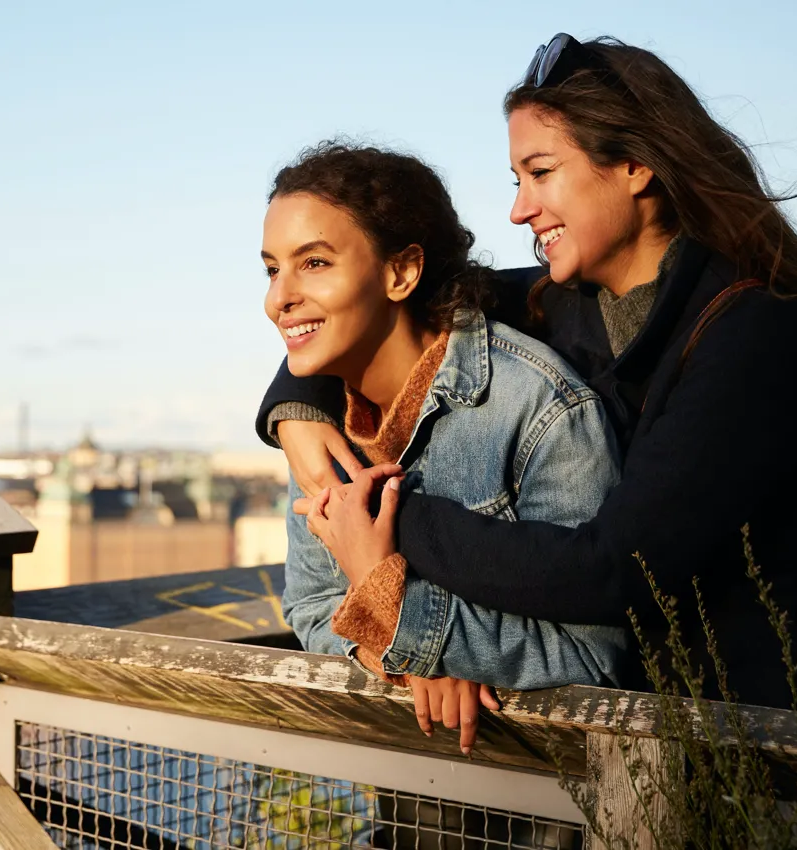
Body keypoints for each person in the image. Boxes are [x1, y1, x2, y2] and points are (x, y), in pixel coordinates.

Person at [259, 35, 797, 719]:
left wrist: (380, 518)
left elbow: (614, 569)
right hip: (659, 750)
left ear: (636, 164)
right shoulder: (567, 302)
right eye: (515, 181)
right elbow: (384, 311)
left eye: (541, 172)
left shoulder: (754, 336)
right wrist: (300, 403)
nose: (519, 210)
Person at [264, 141, 630, 753]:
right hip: (412, 795)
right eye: (273, 268)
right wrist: (403, 657)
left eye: (316, 263)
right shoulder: (319, 427)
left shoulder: (536, 407)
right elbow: (309, 606)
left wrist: (403, 613)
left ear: (400, 272)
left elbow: (593, 653)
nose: (280, 297)